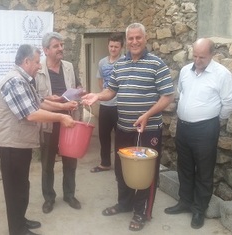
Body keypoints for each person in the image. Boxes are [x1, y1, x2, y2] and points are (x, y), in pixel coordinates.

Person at [82, 22, 175, 231]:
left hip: (148, 130)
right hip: (123, 127)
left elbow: (168, 95)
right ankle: (124, 203)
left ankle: (142, 212)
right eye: (131, 38)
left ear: (145, 38)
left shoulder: (156, 63)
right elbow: (111, 91)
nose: (134, 42)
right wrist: (97, 95)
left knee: (145, 173)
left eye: (138, 38)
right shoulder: (120, 65)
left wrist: (148, 114)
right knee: (123, 168)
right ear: (127, 41)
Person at [0, 44, 78, 235]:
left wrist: (62, 106)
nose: (39, 66)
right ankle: (16, 230)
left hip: (20, 143)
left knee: (22, 185)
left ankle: (20, 221)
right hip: (11, 145)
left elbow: (39, 102)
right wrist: (62, 117)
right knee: (15, 188)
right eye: (36, 62)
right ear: (25, 61)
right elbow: (31, 114)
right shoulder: (15, 81)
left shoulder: (25, 80)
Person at [164, 38, 232, 229]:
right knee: (185, 167)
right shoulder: (185, 71)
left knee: (204, 171)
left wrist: (213, 119)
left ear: (212, 55)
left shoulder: (222, 74)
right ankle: (185, 202)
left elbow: (230, 102)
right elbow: (181, 92)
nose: (197, 60)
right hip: (184, 127)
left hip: (206, 129)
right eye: (195, 55)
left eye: (202, 57)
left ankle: (199, 210)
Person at [35, 32, 83, 214]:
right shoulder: (38, 71)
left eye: (61, 45)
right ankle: (49, 198)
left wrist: (79, 93)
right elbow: (35, 98)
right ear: (46, 50)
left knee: (70, 161)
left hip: (69, 121)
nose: (61, 49)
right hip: (48, 123)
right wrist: (50, 100)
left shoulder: (69, 67)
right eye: (56, 46)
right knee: (47, 164)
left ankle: (69, 195)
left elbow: (78, 88)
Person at [90, 32, 124, 173]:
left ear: (121, 47)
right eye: (111, 46)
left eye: (116, 46)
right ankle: (105, 163)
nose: (113, 49)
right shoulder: (102, 62)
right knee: (103, 135)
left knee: (120, 137)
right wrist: (104, 95)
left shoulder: (125, 61)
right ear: (108, 46)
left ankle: (121, 165)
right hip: (105, 105)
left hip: (119, 106)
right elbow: (100, 80)